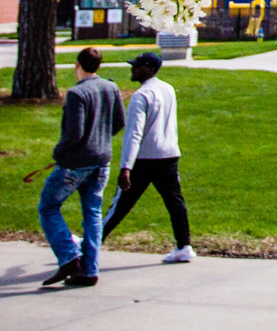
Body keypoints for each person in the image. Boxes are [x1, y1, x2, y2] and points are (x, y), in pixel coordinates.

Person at [38, 46, 123, 288]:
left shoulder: (77, 93)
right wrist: (101, 139)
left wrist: (59, 152)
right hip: (102, 160)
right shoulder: (111, 87)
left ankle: (69, 257)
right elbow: (119, 121)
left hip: (76, 162)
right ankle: (90, 270)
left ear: (78, 65)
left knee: (48, 206)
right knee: (93, 213)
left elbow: (74, 133)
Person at [103, 51, 194, 263]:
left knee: (120, 205)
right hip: (169, 155)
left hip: (145, 159)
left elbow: (134, 134)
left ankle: (91, 243)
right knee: (175, 202)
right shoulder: (168, 89)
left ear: (149, 69)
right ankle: (184, 245)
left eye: (136, 66)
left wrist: (126, 167)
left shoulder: (141, 96)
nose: (132, 69)